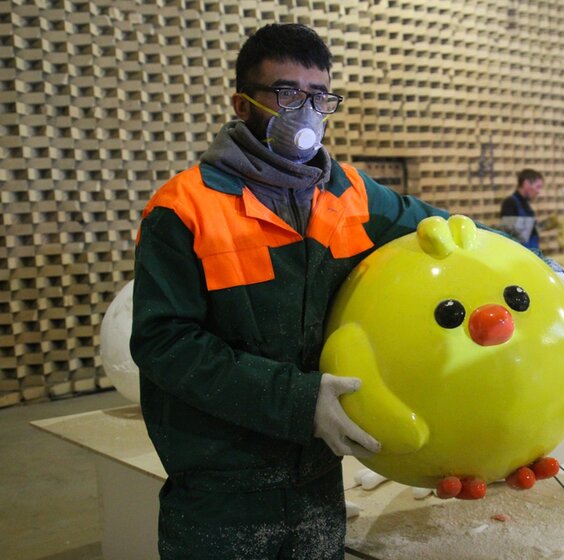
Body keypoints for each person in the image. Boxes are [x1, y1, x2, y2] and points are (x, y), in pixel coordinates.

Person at [130, 23, 452, 559]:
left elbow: (446, 230)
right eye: (286, 93)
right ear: (242, 104)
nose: (306, 111)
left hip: (318, 479)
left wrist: (536, 265)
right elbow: (164, 344)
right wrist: (299, 401)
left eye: (319, 96)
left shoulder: (350, 194)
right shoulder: (185, 208)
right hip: (220, 490)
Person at [499, 168, 544, 250]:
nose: (538, 191)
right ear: (526, 184)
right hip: (518, 253)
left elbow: (530, 231)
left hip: (531, 251)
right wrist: (534, 226)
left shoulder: (526, 205)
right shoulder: (510, 203)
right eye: (537, 187)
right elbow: (509, 232)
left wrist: (544, 225)